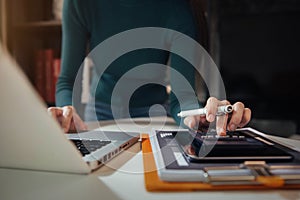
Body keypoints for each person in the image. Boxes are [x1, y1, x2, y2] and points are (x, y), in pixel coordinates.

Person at [48, 0, 251, 135]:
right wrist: (68, 112)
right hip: (98, 112)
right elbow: (67, 81)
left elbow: (182, 97)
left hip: (153, 115)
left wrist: (198, 117)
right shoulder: (80, 4)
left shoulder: (178, 10)